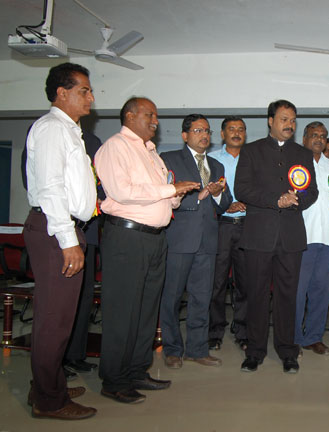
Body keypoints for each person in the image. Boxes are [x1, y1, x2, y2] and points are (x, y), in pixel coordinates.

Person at [95, 97, 199, 403]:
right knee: (123, 311)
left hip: (155, 239)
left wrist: (176, 194)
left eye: (156, 115)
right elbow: (122, 192)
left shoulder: (152, 153)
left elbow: (164, 195)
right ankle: (114, 380)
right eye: (149, 114)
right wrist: (170, 189)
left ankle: (137, 371)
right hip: (127, 238)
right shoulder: (115, 147)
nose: (155, 120)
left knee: (146, 310)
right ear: (129, 116)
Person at [23, 62, 97, 419]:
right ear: (61, 93)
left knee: (58, 318)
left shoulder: (69, 130)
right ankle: (49, 401)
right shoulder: (53, 128)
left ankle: (46, 386)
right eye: (84, 90)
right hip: (56, 230)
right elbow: (51, 188)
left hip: (64, 227)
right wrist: (68, 240)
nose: (91, 97)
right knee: (54, 321)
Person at [234, 99, 318, 374]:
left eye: (293, 120)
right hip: (259, 236)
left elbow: (313, 191)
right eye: (284, 119)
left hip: (291, 237)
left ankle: (287, 351)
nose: (289, 125)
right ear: (270, 121)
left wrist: (296, 200)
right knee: (256, 295)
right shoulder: (251, 151)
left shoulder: (303, 154)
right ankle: (255, 351)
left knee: (287, 296)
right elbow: (242, 189)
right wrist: (275, 200)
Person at [159, 114, 232, 369]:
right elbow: (165, 196)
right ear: (185, 135)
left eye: (207, 131)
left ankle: (197, 349)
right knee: (171, 297)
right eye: (198, 130)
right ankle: (172, 349)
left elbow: (224, 204)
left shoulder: (217, 166)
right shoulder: (169, 159)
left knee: (202, 298)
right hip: (179, 239)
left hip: (208, 241)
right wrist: (198, 197)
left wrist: (218, 195)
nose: (204, 135)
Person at [295, 122, 329, 356]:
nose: (319, 139)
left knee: (321, 292)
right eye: (314, 135)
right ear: (304, 138)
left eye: (323, 136)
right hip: (300, 237)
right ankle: (293, 339)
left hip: (326, 239)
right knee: (296, 292)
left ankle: (313, 337)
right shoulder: (295, 162)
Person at [63, 129, 103, 376]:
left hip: (89, 230)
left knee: (84, 297)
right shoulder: (49, 131)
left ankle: (76, 355)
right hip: (62, 229)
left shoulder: (92, 141)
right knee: (62, 301)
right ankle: (56, 362)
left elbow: (98, 182)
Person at [208, 116, 249, 352]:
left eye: (241, 129)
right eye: (231, 129)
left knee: (245, 283)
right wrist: (226, 205)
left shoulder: (252, 159)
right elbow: (205, 193)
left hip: (247, 227)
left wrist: (248, 204)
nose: (236, 133)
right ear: (222, 134)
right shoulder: (211, 159)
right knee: (217, 282)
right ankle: (215, 331)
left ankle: (242, 331)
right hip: (220, 226)